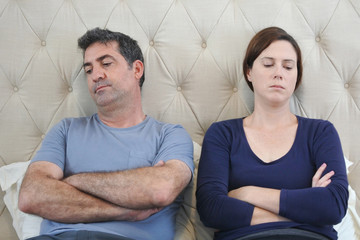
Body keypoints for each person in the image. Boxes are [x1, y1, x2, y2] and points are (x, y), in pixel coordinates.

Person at [18, 28, 194, 240]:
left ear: (137, 69)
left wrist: (73, 181)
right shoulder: (66, 130)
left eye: (106, 63)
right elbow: (31, 196)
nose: (96, 75)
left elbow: (159, 189)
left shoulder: (170, 135)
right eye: (89, 70)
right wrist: (125, 211)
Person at [196, 27, 348, 240]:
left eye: (288, 66)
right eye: (268, 64)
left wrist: (247, 193)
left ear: (296, 77)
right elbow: (211, 208)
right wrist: (306, 208)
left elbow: (334, 205)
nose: (279, 72)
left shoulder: (320, 132)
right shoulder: (222, 134)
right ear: (249, 72)